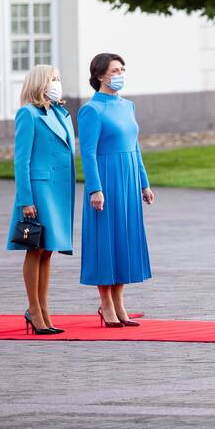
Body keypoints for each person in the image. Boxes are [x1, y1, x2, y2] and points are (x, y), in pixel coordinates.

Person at [78, 53, 155, 327]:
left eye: (123, 69)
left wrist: (144, 182)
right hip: (107, 181)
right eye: (115, 70)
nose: (120, 73)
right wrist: (95, 189)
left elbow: (135, 146)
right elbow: (87, 153)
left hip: (129, 179)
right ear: (100, 76)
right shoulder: (91, 110)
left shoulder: (128, 106)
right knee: (105, 241)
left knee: (124, 239)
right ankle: (106, 305)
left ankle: (120, 303)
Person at [8, 64, 75, 336]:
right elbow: (21, 161)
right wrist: (26, 199)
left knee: (47, 251)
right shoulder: (28, 114)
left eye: (58, 78)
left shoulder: (59, 112)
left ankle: (45, 310)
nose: (57, 83)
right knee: (34, 249)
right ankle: (34, 310)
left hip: (59, 192)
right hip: (39, 191)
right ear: (39, 83)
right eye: (52, 79)